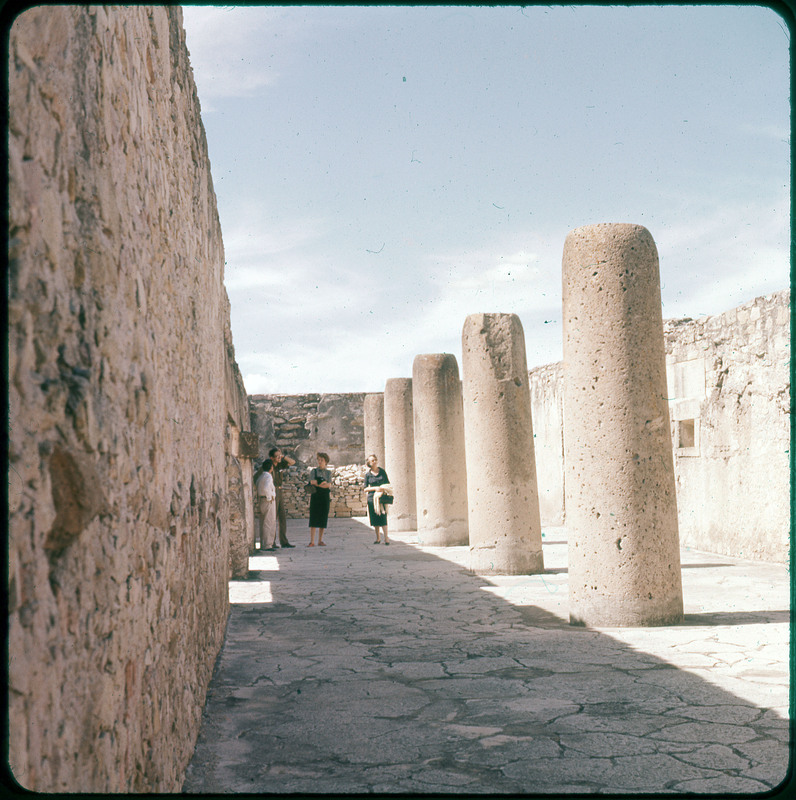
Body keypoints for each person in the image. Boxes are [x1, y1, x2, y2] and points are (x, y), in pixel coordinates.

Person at [269, 447, 295, 548]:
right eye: (277, 456)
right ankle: (272, 541)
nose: (279, 458)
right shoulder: (270, 466)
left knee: (282, 517)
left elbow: (292, 462)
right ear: (272, 458)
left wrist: (283, 456)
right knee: (273, 517)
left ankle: (284, 541)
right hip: (273, 490)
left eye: (279, 456)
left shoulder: (280, 464)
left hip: (279, 490)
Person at [363, 454, 390, 545]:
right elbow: (365, 488)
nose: (374, 461)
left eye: (375, 459)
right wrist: (375, 488)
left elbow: (388, 483)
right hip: (372, 498)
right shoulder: (368, 475)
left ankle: (386, 538)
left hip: (381, 497)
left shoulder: (382, 472)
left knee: (383, 517)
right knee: (375, 518)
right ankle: (378, 538)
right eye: (372, 460)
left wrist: (382, 488)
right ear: (369, 463)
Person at [307, 452, 332, 547]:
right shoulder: (314, 471)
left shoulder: (328, 472)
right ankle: (312, 541)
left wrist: (320, 484)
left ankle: (320, 540)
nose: (320, 462)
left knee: (323, 517)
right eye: (319, 460)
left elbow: (328, 485)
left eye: (322, 460)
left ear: (326, 461)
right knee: (313, 518)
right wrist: (322, 483)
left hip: (324, 496)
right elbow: (312, 482)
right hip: (315, 496)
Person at [255, 459, 277, 550]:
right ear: (271, 467)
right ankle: (268, 544)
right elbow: (266, 487)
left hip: (261, 500)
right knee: (269, 522)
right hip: (268, 500)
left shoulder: (260, 476)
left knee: (263, 522)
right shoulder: (268, 476)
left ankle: (263, 543)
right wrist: (270, 496)